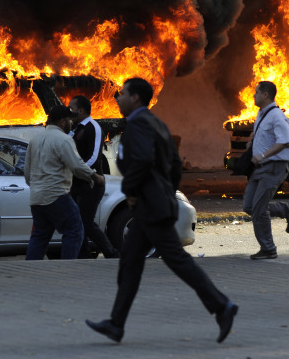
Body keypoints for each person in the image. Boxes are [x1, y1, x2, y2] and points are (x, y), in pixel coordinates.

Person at [86, 78, 238, 344]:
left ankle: (221, 306)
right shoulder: (157, 123)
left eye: (121, 94)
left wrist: (132, 190)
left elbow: (142, 161)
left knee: (175, 260)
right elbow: (175, 165)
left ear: (134, 99)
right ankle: (116, 324)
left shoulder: (138, 123)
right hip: (156, 203)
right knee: (131, 262)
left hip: (150, 206)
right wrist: (165, 191)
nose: (118, 98)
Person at [24, 105, 105, 260]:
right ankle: (66, 267)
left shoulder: (34, 140)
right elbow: (77, 166)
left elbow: (27, 173)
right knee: (75, 230)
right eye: (69, 120)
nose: (71, 123)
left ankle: (30, 268)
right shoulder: (64, 139)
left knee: (40, 236)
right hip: (56, 195)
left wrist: (37, 187)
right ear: (62, 122)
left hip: (36, 198)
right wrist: (95, 177)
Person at [241, 81, 289, 260]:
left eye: (256, 92)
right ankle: (288, 211)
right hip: (260, 169)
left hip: (274, 167)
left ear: (266, 94)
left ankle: (268, 248)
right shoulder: (262, 113)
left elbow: (285, 141)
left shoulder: (276, 116)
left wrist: (263, 155)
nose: (253, 95)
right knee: (249, 206)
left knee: (259, 210)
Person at [68, 95, 119, 259]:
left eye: (72, 108)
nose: (70, 111)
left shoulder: (93, 127)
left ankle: (111, 252)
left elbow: (93, 158)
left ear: (81, 110)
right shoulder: (75, 128)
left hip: (91, 183)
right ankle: (83, 257)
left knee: (86, 221)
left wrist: (81, 170)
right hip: (76, 182)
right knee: (77, 222)